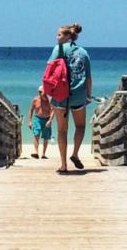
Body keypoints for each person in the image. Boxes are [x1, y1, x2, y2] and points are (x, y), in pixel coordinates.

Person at [49, 23, 91, 173]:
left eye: (59, 34)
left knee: (61, 130)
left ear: (67, 36)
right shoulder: (84, 53)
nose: (57, 37)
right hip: (79, 95)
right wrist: (89, 95)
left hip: (60, 95)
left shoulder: (58, 49)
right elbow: (88, 78)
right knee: (80, 126)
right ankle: (75, 154)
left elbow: (49, 70)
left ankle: (63, 165)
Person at [28, 87, 53, 159]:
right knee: (36, 134)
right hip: (37, 118)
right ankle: (36, 152)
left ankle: (43, 154)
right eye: (40, 92)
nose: (41, 94)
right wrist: (29, 121)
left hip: (46, 119)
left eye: (42, 92)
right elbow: (31, 110)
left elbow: (52, 111)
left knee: (46, 137)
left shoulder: (49, 100)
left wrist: (50, 120)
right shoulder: (36, 99)